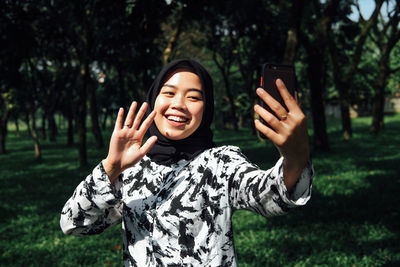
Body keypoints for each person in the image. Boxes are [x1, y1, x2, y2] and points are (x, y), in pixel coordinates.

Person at [60, 59, 313, 266]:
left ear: (207, 108)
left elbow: (269, 196)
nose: (179, 105)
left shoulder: (219, 163)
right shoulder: (132, 169)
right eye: (168, 92)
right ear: (154, 99)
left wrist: (295, 157)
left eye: (194, 97)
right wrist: (111, 168)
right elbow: (75, 223)